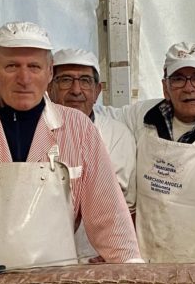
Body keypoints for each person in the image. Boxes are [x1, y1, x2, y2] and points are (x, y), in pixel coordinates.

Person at [0, 21, 140, 284]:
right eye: (12, 67)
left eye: (34, 67)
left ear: (49, 72)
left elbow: (110, 217)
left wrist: (133, 276)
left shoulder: (78, 129)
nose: (24, 79)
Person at [107, 42, 195, 264]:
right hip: (148, 266)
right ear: (165, 87)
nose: (188, 88)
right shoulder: (140, 116)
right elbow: (97, 119)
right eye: (178, 79)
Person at [49, 47, 136, 261]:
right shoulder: (33, 129)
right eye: (65, 80)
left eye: (85, 81)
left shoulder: (117, 135)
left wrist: (115, 252)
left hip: (98, 258)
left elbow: (127, 206)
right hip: (42, 257)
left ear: (97, 90)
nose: (76, 90)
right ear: (49, 87)